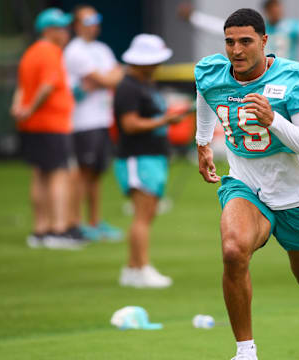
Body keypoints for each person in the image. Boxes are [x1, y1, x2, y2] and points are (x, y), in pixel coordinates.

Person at [195, 8, 299, 360]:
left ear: (264, 41)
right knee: (233, 250)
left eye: (245, 42)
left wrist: (274, 121)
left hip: (297, 195)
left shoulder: (295, 78)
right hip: (245, 184)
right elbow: (205, 94)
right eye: (230, 41)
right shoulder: (212, 71)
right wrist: (203, 141)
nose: (236, 50)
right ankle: (245, 351)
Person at [114, 34, 186, 288]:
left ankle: (133, 269)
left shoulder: (146, 84)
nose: (157, 65)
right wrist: (165, 121)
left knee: (148, 213)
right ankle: (141, 268)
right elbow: (130, 124)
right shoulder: (128, 87)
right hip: (137, 157)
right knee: (142, 215)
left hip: (153, 157)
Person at [11, 8, 85, 249]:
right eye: (60, 28)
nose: (65, 32)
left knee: (40, 174)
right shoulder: (51, 52)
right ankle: (58, 229)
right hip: (52, 123)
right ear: (48, 31)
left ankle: (40, 230)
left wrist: (20, 110)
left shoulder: (30, 53)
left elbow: (21, 88)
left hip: (33, 125)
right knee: (58, 174)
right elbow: (46, 86)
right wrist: (31, 108)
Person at [64, 4, 124, 241]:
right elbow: (106, 77)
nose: (94, 26)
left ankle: (94, 221)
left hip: (101, 119)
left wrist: (102, 79)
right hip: (83, 122)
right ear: (77, 25)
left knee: (97, 173)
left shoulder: (102, 48)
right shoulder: (75, 51)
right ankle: (76, 222)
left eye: (95, 20)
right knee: (83, 173)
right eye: (88, 22)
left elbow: (115, 76)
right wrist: (104, 78)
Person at [177, 0, 299, 61]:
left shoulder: (292, 27)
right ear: (267, 10)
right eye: (273, 7)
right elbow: (218, 27)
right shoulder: (256, 27)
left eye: (278, 6)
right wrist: (193, 17)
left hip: (284, 73)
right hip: (259, 73)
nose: (277, 11)